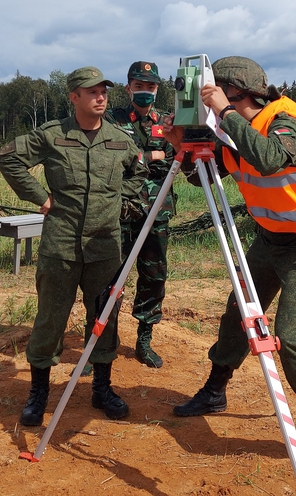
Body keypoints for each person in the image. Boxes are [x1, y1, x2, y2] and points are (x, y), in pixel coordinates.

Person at [163, 56, 296, 478]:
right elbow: (210, 174)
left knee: (290, 338)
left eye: (221, 97)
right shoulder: (238, 131)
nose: (216, 107)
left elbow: (269, 158)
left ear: (240, 93)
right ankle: (215, 390)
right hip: (269, 239)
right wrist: (186, 147)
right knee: (238, 314)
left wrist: (225, 114)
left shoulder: (286, 121)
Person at [0, 66, 148, 425]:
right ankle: (38, 394)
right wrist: (40, 198)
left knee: (105, 318)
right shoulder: (53, 135)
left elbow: (138, 171)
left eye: (104, 92)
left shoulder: (119, 138)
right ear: (74, 97)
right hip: (60, 244)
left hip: (105, 247)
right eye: (91, 91)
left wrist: (121, 203)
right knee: (50, 319)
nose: (100, 97)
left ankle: (102, 389)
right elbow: (8, 157)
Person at [105, 61, 176, 369]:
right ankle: (103, 342)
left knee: (154, 276)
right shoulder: (113, 119)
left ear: (157, 89)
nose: (144, 92)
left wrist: (140, 159)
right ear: (128, 87)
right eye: (139, 85)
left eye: (150, 87)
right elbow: (111, 157)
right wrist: (150, 156)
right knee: (110, 278)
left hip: (157, 211)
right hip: (120, 211)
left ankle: (144, 340)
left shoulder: (168, 122)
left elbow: (172, 159)